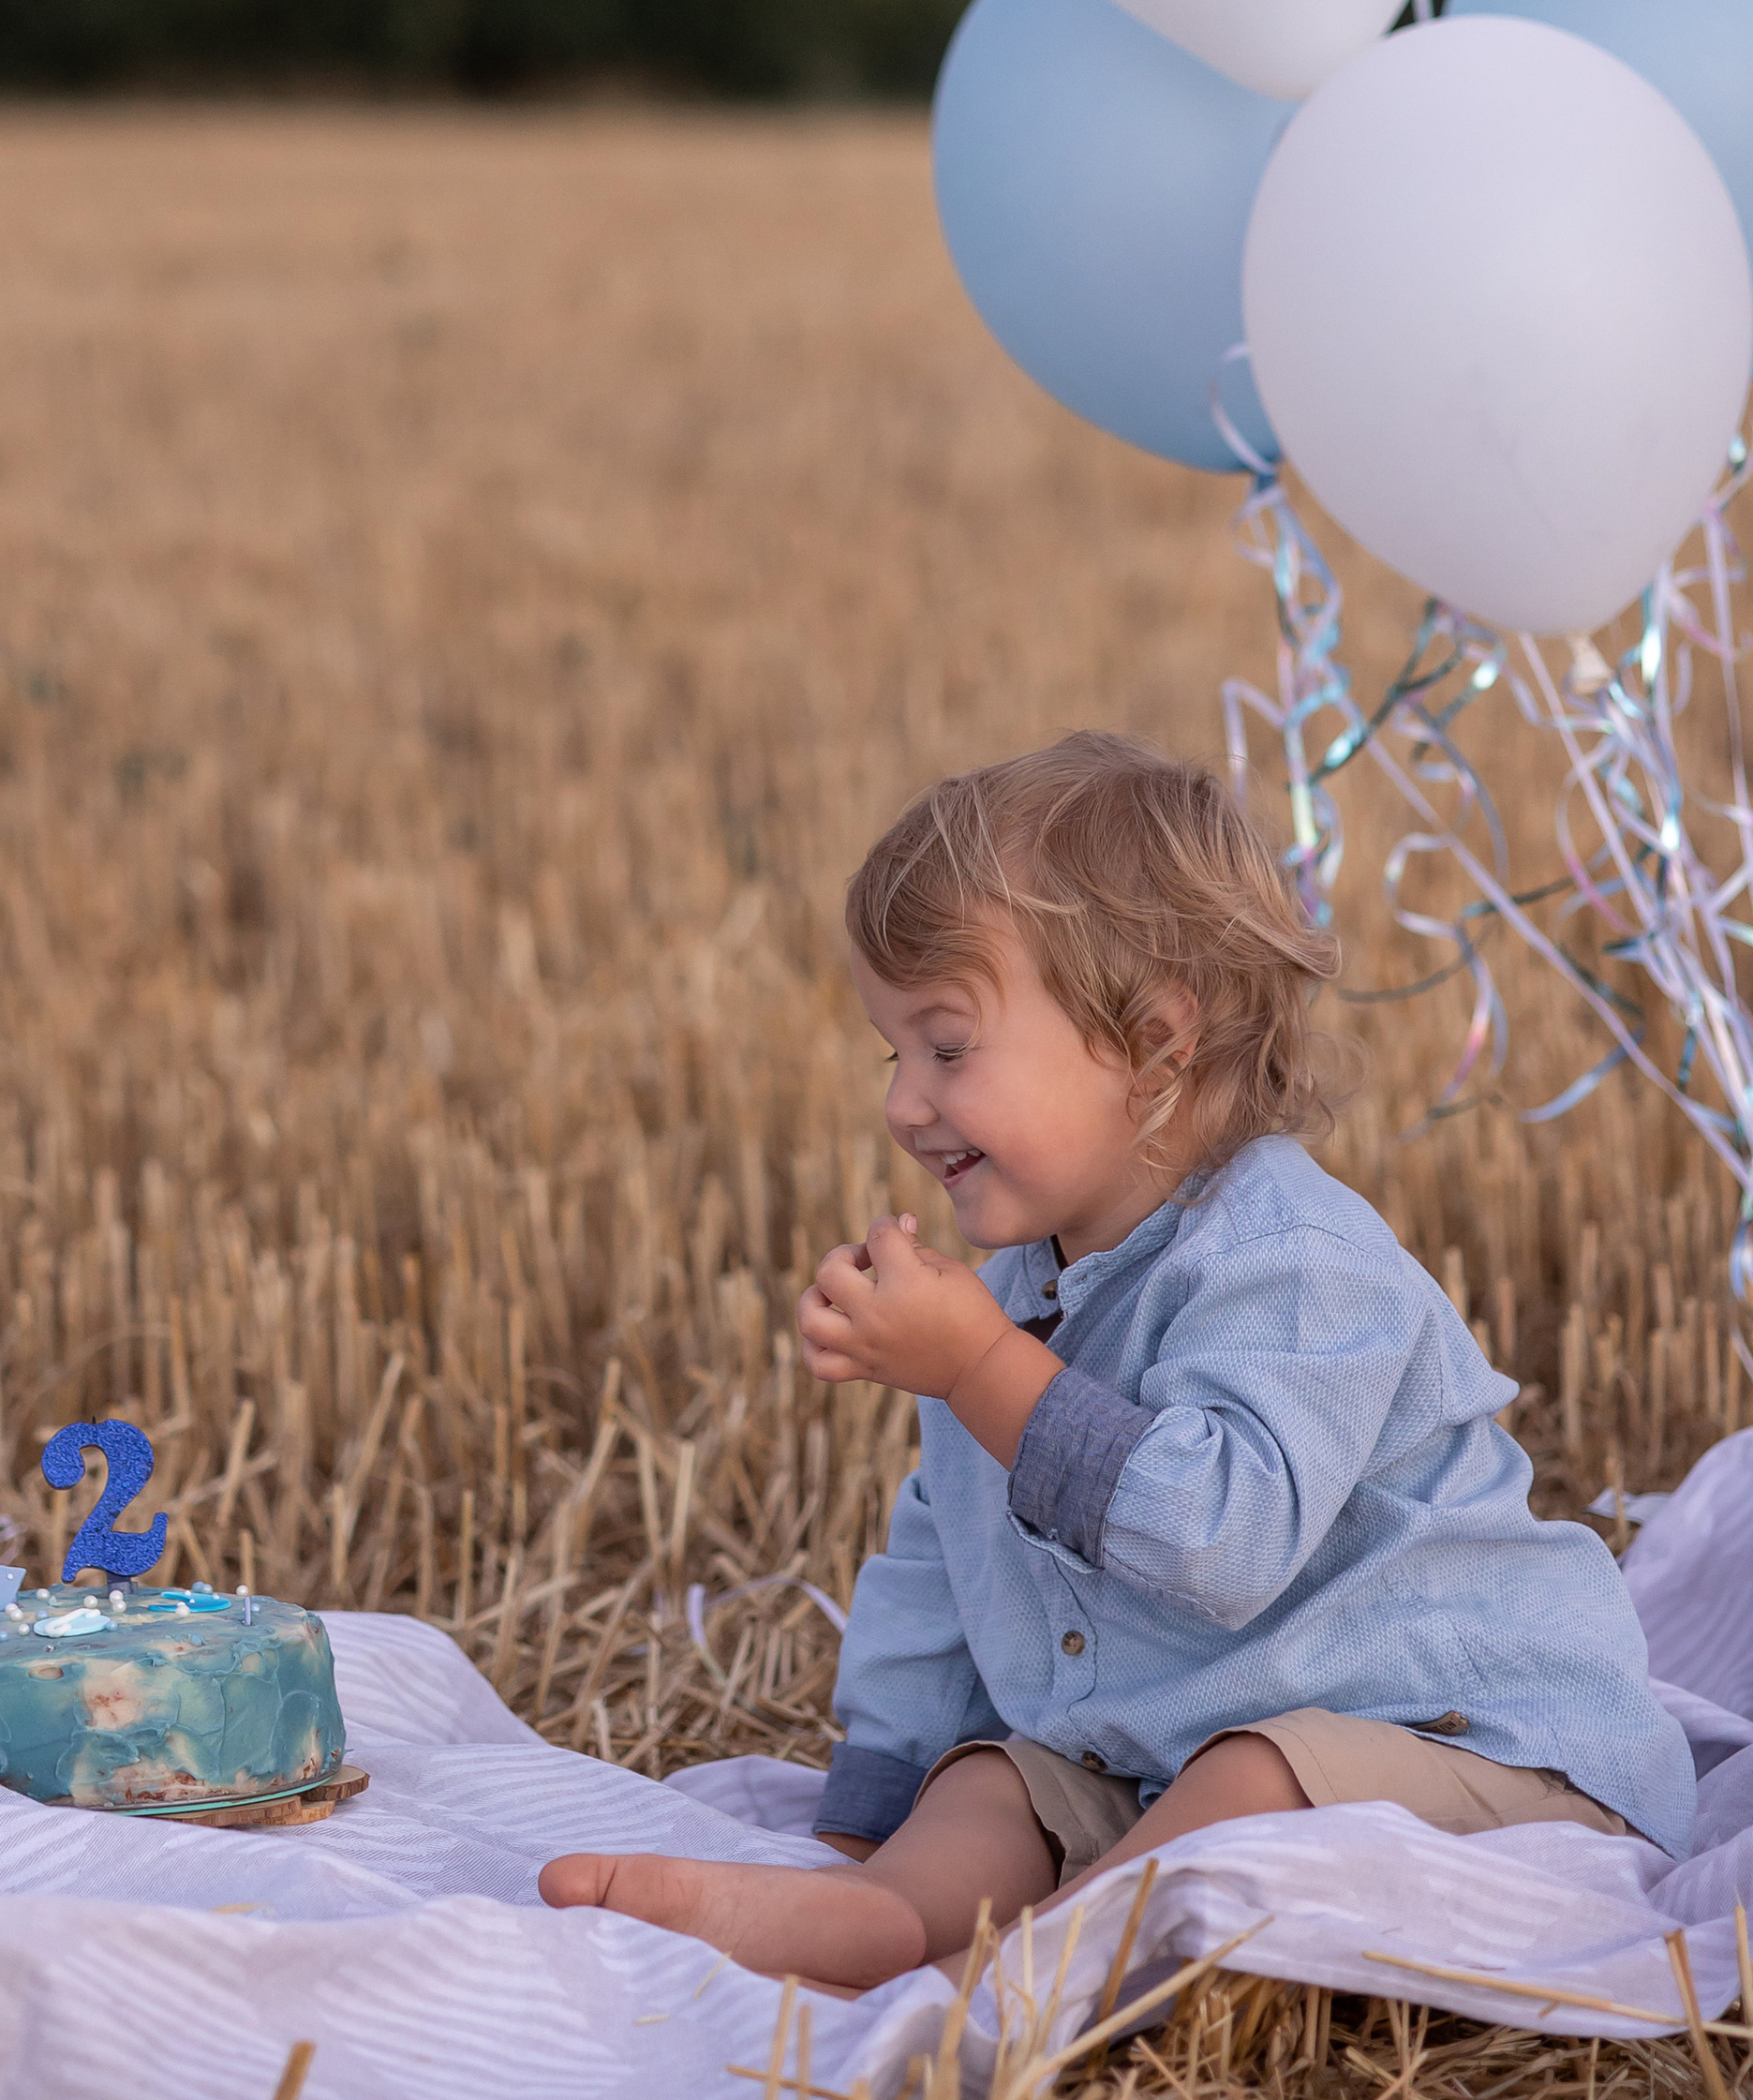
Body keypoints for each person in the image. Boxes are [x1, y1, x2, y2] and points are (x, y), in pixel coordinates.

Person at [539, 732, 1692, 1988]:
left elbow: (1220, 1536)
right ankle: (874, 1916)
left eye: (946, 1045)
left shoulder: (1297, 1262)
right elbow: (943, 1566)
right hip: (1169, 1759)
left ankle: (1044, 1964)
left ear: (1152, 1046)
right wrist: (862, 1819)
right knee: (991, 1782)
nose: (902, 1103)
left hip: (1479, 1753)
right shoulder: (1017, 1295)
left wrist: (980, 1368)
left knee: (1255, 1773)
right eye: (894, 1053)